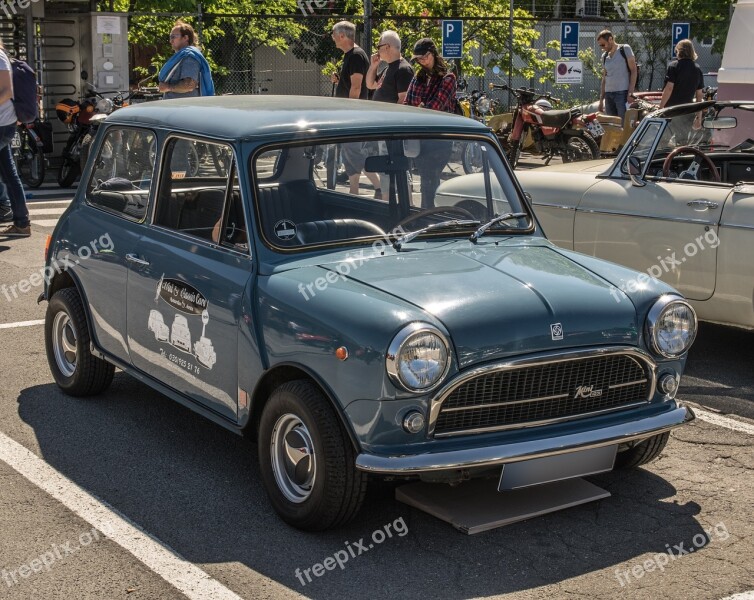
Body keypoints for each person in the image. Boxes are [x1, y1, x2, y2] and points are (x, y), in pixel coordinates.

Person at [403, 37, 457, 208]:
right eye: (418, 59)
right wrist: (420, 108)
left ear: (433, 54)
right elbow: (407, 105)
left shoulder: (448, 78)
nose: (421, 61)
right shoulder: (417, 78)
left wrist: (420, 108)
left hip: (440, 140)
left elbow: (435, 108)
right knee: (427, 181)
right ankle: (428, 215)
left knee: (430, 180)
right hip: (420, 139)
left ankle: (430, 216)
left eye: (424, 57)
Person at [330, 21, 381, 198]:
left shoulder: (356, 55)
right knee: (349, 154)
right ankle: (355, 192)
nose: (332, 37)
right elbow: (351, 84)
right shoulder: (350, 55)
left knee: (353, 153)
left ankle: (379, 188)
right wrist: (340, 81)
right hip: (350, 114)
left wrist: (349, 113)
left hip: (353, 115)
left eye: (334, 34)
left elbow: (357, 87)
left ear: (342, 36)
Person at [0, 41, 31, 237]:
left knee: (9, 175)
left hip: (2, 124)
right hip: (4, 124)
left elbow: (5, 91)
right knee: (9, 174)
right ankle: (21, 223)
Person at [158, 20, 214, 99]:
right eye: (170, 37)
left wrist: (168, 87)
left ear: (185, 38)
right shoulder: (181, 56)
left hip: (183, 108)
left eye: (173, 37)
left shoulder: (189, 57)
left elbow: (189, 85)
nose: (171, 41)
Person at [597, 30, 637, 120]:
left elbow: (634, 70)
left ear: (610, 39)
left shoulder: (625, 49)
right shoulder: (604, 56)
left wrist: (630, 93)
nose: (602, 48)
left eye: (603, 45)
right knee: (612, 125)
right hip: (608, 94)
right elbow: (604, 78)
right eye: (600, 45)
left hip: (622, 93)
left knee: (623, 122)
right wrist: (601, 100)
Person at [366, 30, 414, 104]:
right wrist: (373, 66)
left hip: (388, 115)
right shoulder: (388, 68)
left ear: (387, 47)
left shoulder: (404, 70)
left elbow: (403, 100)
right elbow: (370, 84)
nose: (377, 51)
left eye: (378, 47)